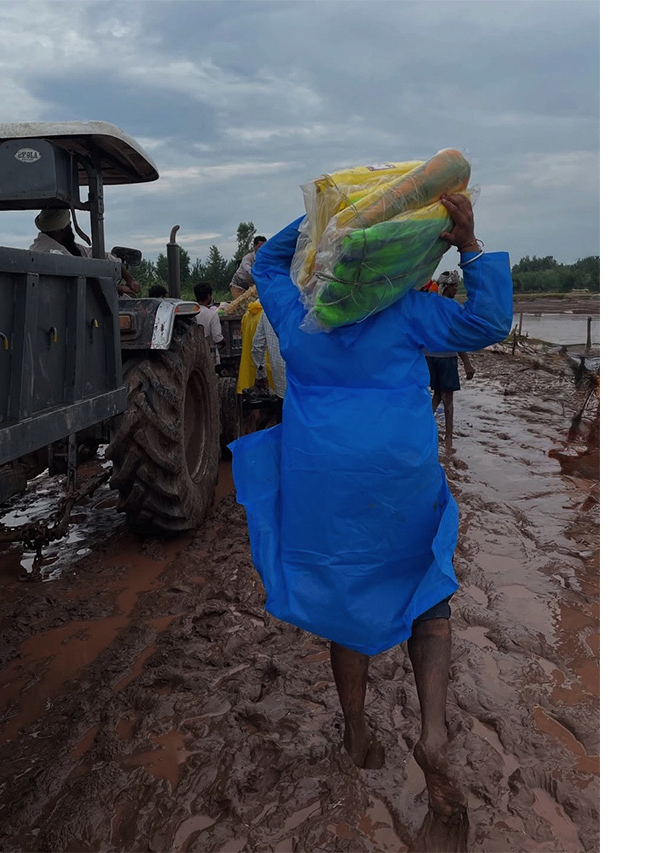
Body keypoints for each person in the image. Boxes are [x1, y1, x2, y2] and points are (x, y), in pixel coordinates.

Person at [230, 193, 511, 852]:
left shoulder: (298, 318)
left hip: (325, 476)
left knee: (344, 595)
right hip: (399, 469)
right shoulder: (409, 312)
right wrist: (467, 240)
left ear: (330, 265)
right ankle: (433, 727)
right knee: (428, 588)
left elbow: (268, 261)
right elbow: (492, 318)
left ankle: (357, 732)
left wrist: (329, 213)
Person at [29, 208, 141, 297]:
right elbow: (85, 283)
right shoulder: (53, 253)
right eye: (69, 225)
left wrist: (129, 279)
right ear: (64, 228)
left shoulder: (65, 246)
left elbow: (103, 256)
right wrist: (117, 288)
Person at [425, 271, 477, 447]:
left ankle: (423, 426)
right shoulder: (452, 307)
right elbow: (457, 336)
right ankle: (448, 438)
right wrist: (467, 363)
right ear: (447, 287)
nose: (456, 289)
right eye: (454, 286)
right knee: (448, 399)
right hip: (446, 357)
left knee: (438, 394)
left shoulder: (430, 305)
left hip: (430, 356)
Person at [250, 308, 287, 427]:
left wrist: (261, 375)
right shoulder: (303, 308)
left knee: (283, 423)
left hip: (281, 385)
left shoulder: (267, 312)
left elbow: (257, 347)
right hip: (305, 384)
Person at [192, 281, 224, 358]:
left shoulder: (190, 313)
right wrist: (225, 343)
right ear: (208, 296)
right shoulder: (212, 315)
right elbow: (217, 338)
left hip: (194, 356)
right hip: (209, 356)